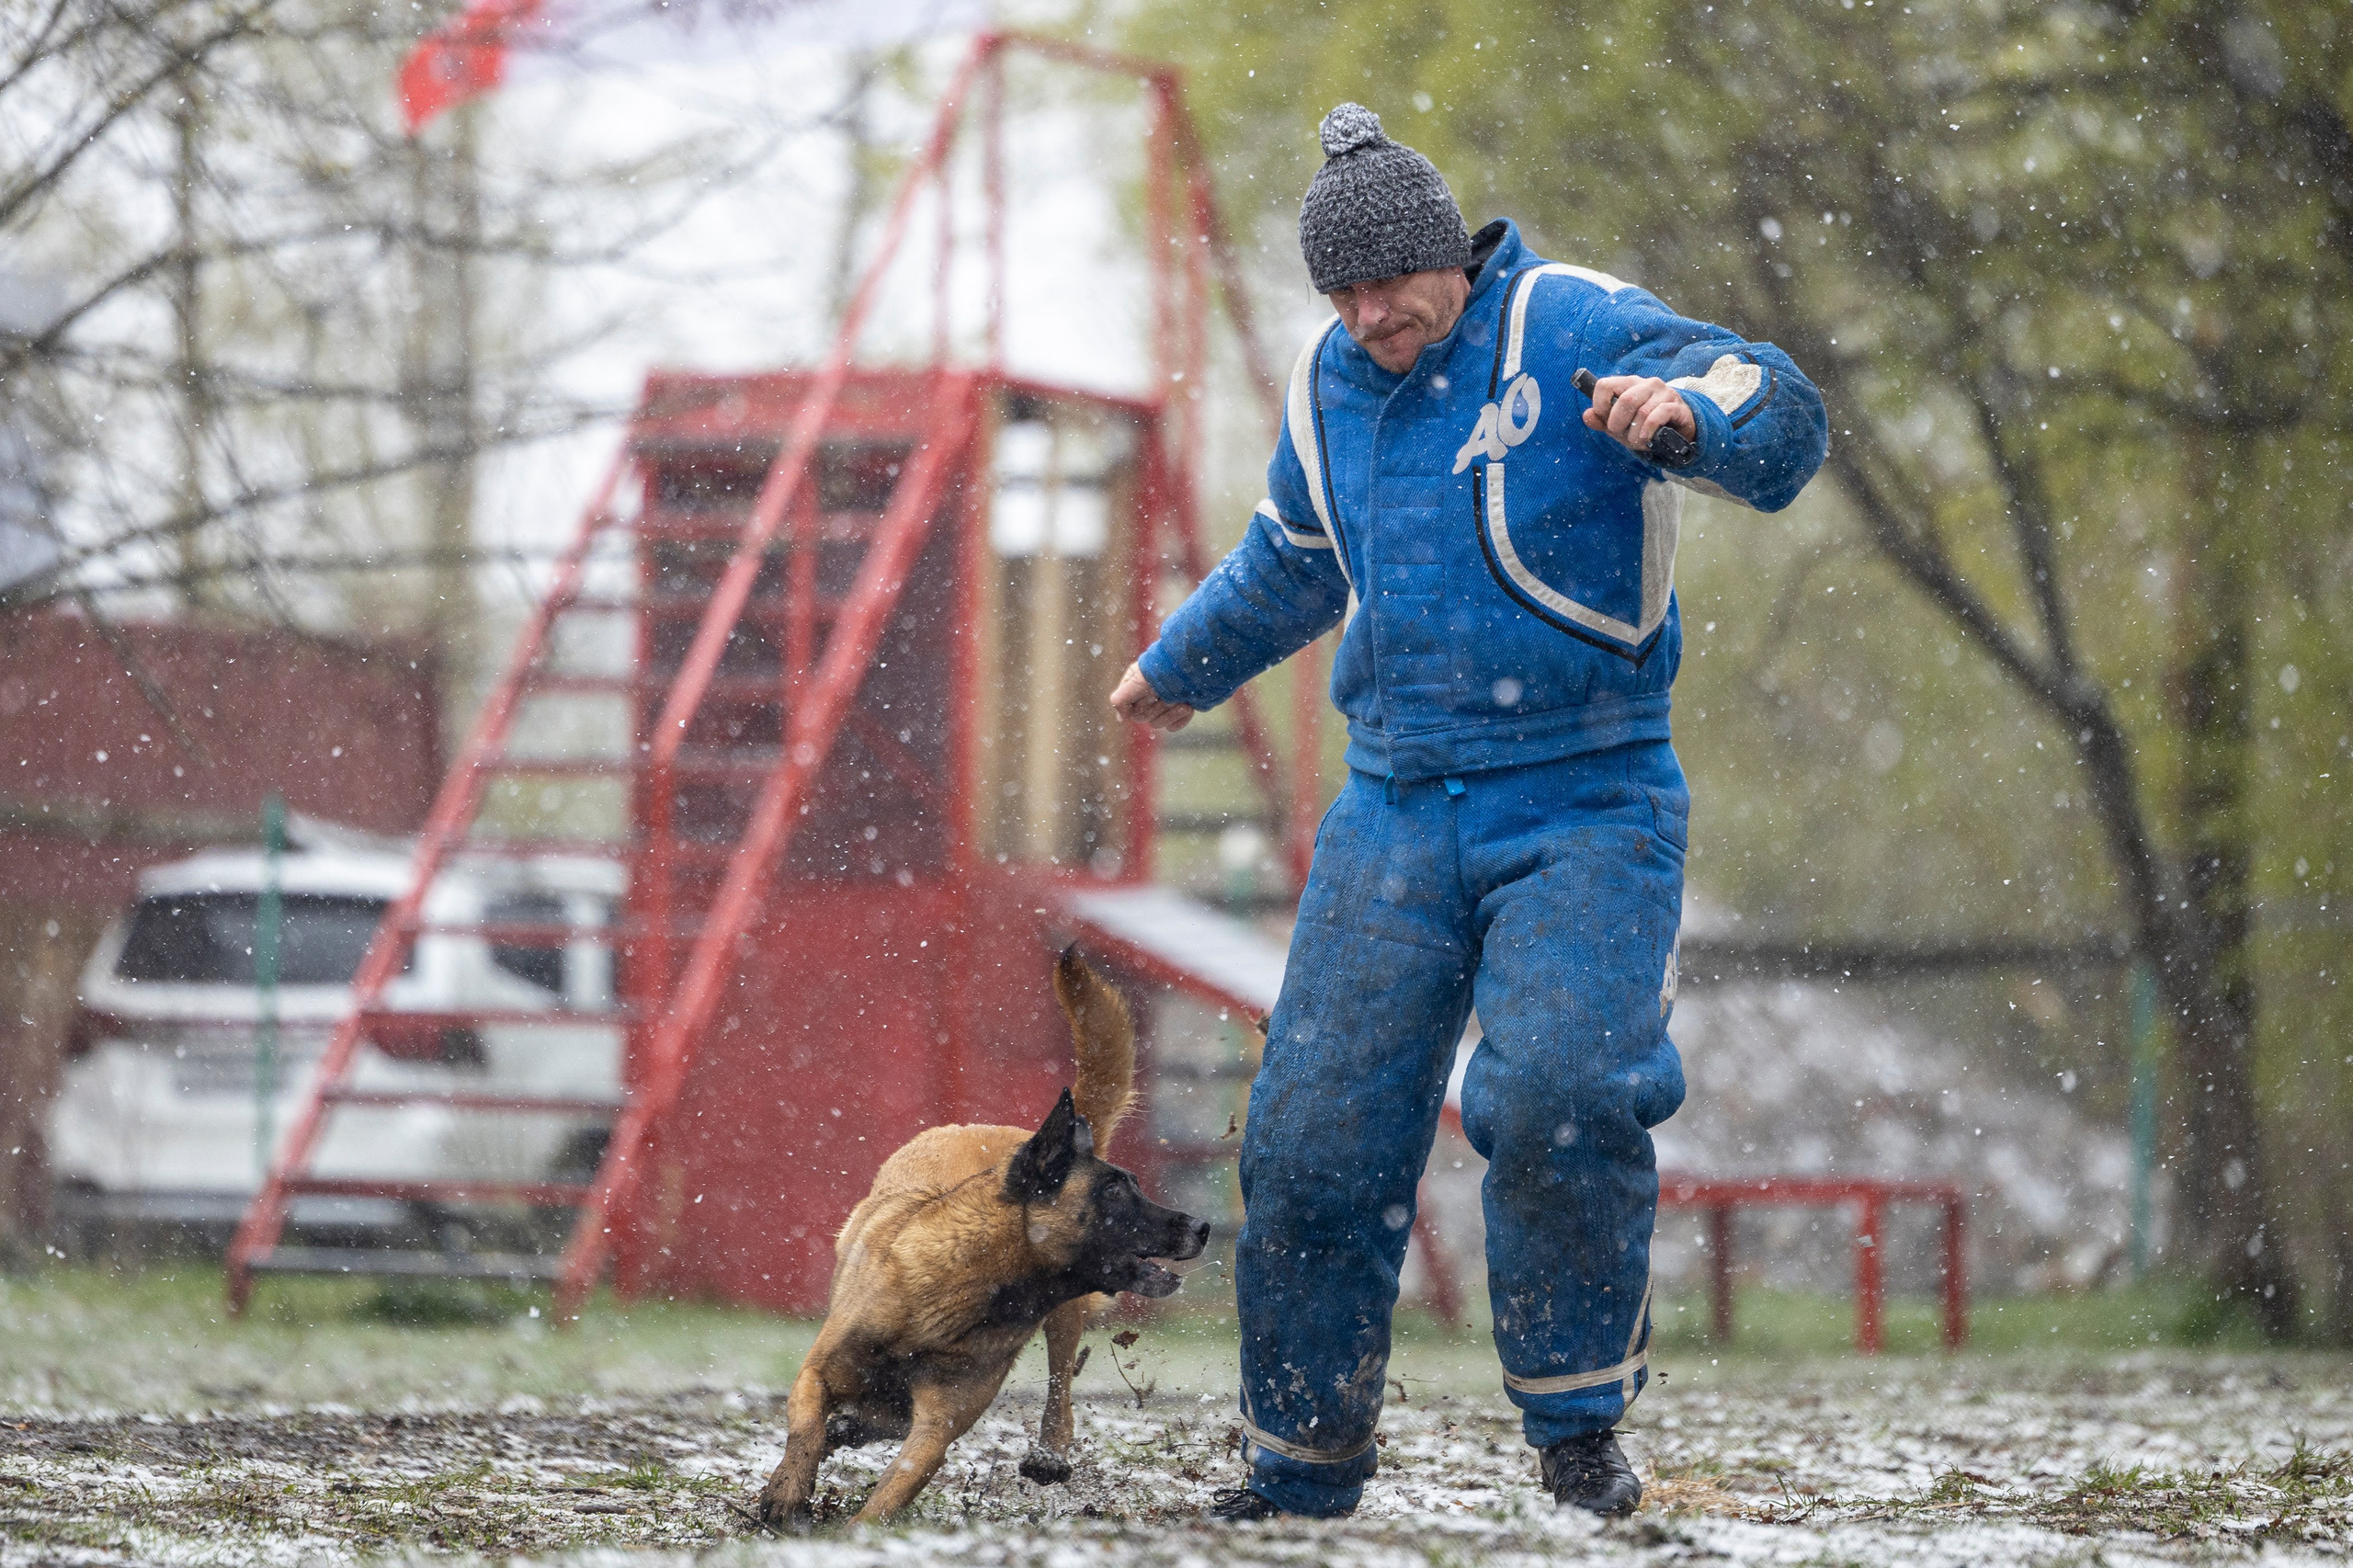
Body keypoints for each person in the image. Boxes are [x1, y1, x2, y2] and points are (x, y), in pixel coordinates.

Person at [1108, 102, 1826, 1520]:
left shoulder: (1569, 320)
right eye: (1344, 291)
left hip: (1588, 792)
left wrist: (1691, 418)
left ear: (1450, 255)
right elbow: (1292, 560)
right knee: (1311, 1142)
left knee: (1560, 1091)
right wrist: (1177, 666)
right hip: (1391, 806)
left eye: (1393, 284)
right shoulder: (1331, 380)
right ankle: (1299, 1465)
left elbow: (1778, 405)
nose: (1371, 314)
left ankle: (1574, 1432)